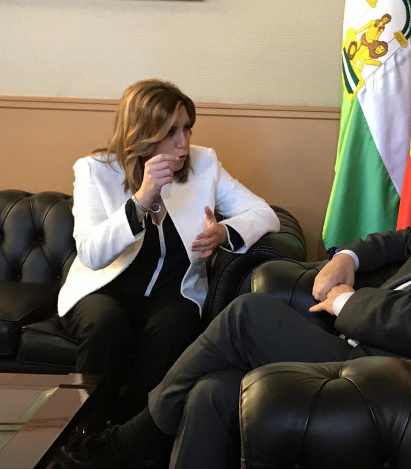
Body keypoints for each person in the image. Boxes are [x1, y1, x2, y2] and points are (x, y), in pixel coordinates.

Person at [62, 106, 411, 469]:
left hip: (409, 375)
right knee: (211, 392)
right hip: (377, 345)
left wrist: (346, 301)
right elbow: (409, 241)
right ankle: (138, 445)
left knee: (249, 315)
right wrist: (349, 257)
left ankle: (131, 443)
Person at [57, 79, 280, 426]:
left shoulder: (204, 164)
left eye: (187, 129)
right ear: (141, 133)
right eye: (170, 131)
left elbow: (264, 213)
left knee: (174, 328)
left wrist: (224, 231)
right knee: (106, 325)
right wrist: (141, 200)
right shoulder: (95, 170)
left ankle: (130, 437)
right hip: (105, 288)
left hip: (173, 291)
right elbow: (91, 253)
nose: (184, 144)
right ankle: (81, 435)